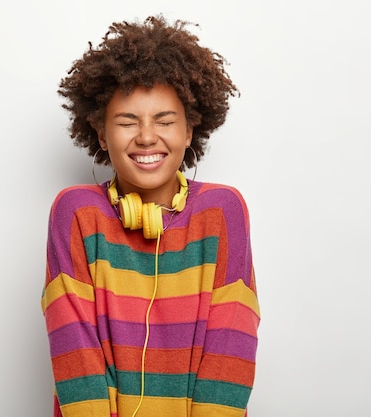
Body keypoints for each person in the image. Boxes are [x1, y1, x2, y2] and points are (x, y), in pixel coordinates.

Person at [41, 15, 260, 417]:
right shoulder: (75, 213)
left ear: (190, 130)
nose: (145, 136)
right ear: (102, 134)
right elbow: (74, 348)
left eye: (165, 121)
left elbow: (232, 344)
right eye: (127, 122)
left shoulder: (223, 211)